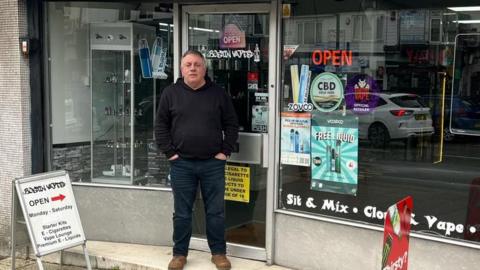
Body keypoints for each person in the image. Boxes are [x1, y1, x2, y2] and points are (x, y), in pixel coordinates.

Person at [155, 50, 239, 270]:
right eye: (188, 64)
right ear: (181, 69)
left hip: (213, 163)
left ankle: (218, 253)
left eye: (197, 64)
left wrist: (225, 152)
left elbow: (231, 124)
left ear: (205, 68)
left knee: (216, 211)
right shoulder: (170, 94)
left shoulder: (218, 94)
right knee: (182, 213)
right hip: (181, 164)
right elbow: (160, 127)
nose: (192, 68)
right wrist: (170, 154)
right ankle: (179, 254)